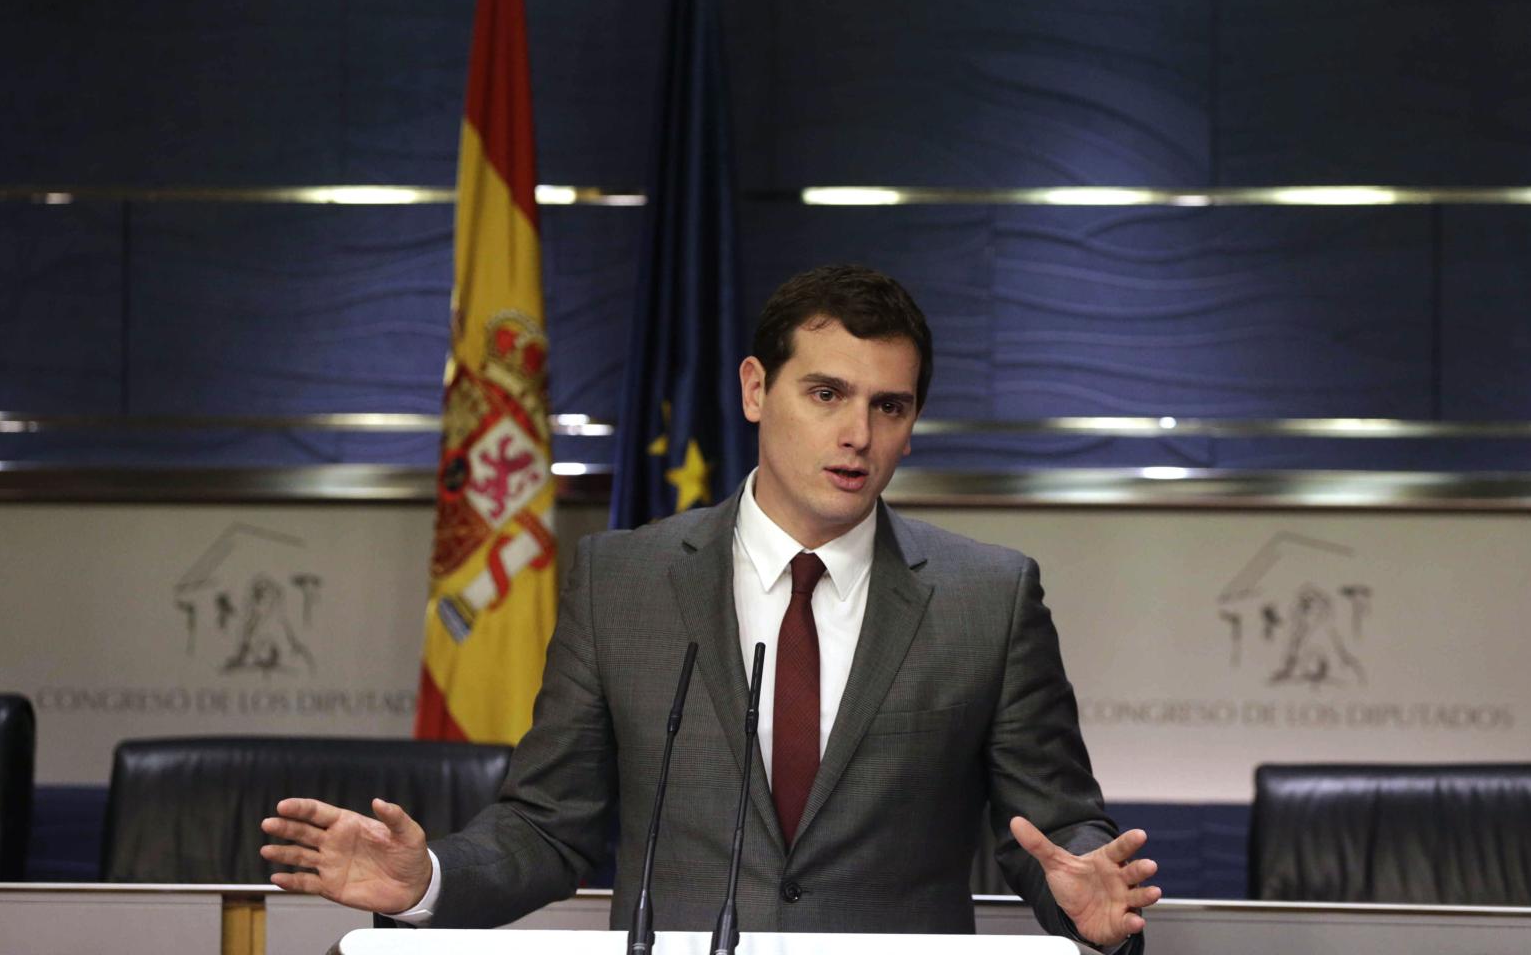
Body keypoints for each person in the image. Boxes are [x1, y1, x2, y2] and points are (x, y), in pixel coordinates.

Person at [260, 264, 1159, 951]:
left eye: (890, 406)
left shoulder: (988, 598)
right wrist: (430, 880)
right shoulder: (624, 581)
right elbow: (548, 826)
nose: (858, 434)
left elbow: (1055, 828)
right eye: (827, 394)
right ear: (756, 390)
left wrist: (1088, 906)